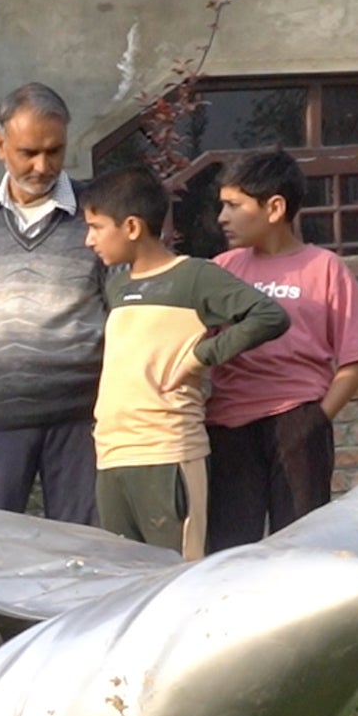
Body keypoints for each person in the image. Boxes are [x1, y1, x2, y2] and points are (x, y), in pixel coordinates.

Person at [79, 166, 290, 559]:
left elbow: (268, 316)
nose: (89, 240)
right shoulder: (116, 287)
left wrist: (200, 356)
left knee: (176, 581)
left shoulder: (194, 277)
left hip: (168, 453)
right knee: (122, 582)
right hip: (112, 455)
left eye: (96, 227)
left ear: (131, 227)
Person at [208, 147, 358, 549]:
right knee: (228, 547)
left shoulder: (325, 268)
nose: (223, 218)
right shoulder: (220, 270)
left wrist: (315, 420)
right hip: (227, 427)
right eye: (222, 206)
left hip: (297, 423)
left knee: (303, 546)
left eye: (234, 206)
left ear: (274, 207)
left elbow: (357, 357)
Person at [0, 82, 107, 524]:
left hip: (82, 418)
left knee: (85, 550)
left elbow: (121, 315)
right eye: (28, 152)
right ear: (0, 146)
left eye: (55, 151)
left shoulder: (99, 215)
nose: (43, 165)